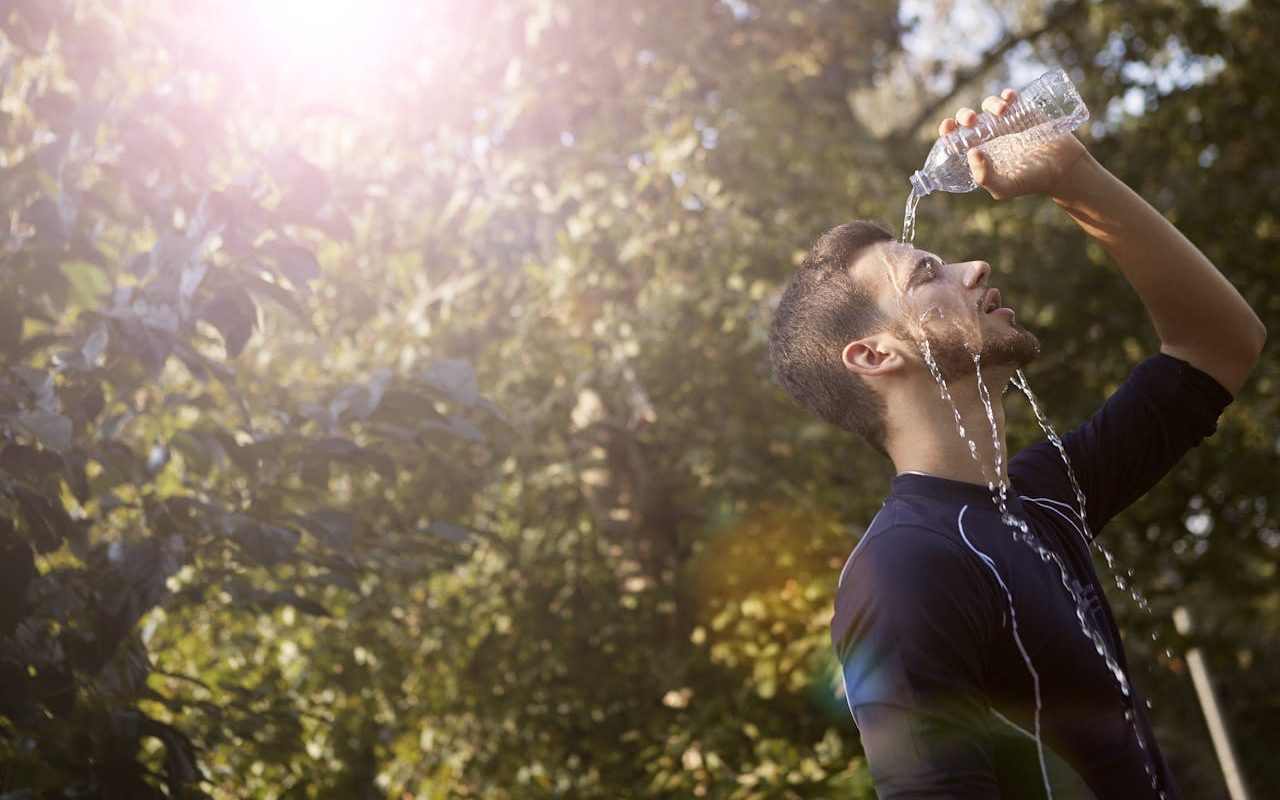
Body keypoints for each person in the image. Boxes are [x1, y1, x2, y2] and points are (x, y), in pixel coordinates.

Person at [768, 86, 1266, 799]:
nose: (975, 268)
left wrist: (1071, 174)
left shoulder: (1043, 494)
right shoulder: (903, 570)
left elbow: (1220, 345)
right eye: (926, 274)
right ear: (874, 355)